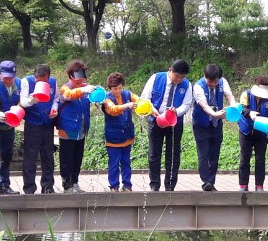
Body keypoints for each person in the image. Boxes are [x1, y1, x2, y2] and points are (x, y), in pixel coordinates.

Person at [142, 59, 193, 191]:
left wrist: (177, 111)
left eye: (182, 77)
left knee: (173, 154)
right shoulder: (156, 78)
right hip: (155, 120)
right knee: (154, 154)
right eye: (177, 76)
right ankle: (154, 185)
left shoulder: (187, 85)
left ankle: (170, 186)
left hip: (174, 123)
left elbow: (186, 104)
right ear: (170, 70)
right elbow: (145, 97)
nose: (179, 79)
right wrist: (151, 108)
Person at [192, 63, 236, 191]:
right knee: (203, 153)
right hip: (201, 124)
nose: (212, 84)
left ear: (219, 78)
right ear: (205, 77)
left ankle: (211, 182)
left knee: (214, 154)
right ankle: (206, 182)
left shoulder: (223, 82)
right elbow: (204, 106)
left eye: (215, 81)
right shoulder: (198, 86)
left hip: (216, 125)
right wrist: (215, 114)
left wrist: (233, 106)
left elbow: (229, 96)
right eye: (209, 81)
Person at [19, 63, 59, 194]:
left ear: (48, 76)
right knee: (30, 156)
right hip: (32, 123)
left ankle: (47, 186)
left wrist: (54, 109)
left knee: (48, 155)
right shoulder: (27, 81)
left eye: (44, 80)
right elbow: (23, 102)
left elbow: (56, 99)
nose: (40, 81)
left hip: (47, 123)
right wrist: (33, 100)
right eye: (38, 79)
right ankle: (29, 187)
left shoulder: (53, 82)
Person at [57, 60, 92, 193]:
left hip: (81, 129)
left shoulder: (86, 87)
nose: (80, 81)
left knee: (78, 157)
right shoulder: (65, 88)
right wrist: (83, 89)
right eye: (77, 79)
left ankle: (75, 182)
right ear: (70, 76)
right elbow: (68, 95)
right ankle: (67, 185)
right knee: (67, 158)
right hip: (67, 129)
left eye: (82, 78)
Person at [0, 60, 22, 195]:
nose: (9, 80)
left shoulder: (19, 83)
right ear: (0, 74)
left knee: (7, 156)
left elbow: (21, 100)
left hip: (10, 127)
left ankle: (6, 184)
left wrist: (18, 107)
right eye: (6, 77)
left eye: (11, 77)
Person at [238, 76, 268, 192]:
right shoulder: (246, 95)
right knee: (245, 158)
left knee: (260, 159)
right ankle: (243, 185)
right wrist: (250, 113)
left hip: (261, 131)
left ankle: (259, 185)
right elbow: (242, 109)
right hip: (246, 130)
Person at [101, 72, 136, 191]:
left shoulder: (127, 94)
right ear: (110, 88)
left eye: (120, 87)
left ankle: (127, 185)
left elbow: (139, 100)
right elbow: (112, 110)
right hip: (113, 138)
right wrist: (127, 106)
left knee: (126, 162)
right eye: (115, 88)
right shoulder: (106, 99)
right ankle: (114, 186)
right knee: (114, 164)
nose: (118, 90)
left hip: (127, 136)